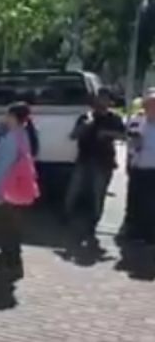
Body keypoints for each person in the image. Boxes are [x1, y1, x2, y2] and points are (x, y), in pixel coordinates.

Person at [63, 88, 125, 247]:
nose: (101, 102)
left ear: (110, 102)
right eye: (99, 99)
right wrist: (85, 125)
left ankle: (92, 225)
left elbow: (124, 136)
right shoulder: (86, 117)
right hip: (83, 159)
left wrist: (108, 134)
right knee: (74, 191)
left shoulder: (114, 119)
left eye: (105, 99)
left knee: (98, 195)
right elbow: (72, 136)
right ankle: (67, 218)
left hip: (103, 162)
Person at [0, 102, 39, 280]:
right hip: (17, 187)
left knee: (8, 227)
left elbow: (4, 167)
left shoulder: (13, 138)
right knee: (12, 226)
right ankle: (7, 259)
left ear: (15, 118)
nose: (5, 118)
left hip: (8, 188)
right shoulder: (22, 135)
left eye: (8, 115)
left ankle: (12, 262)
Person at [124, 92, 155, 245]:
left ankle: (150, 235)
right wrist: (135, 143)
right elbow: (130, 145)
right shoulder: (140, 123)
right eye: (149, 106)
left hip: (153, 170)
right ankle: (135, 232)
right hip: (138, 168)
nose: (151, 109)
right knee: (136, 202)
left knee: (151, 204)